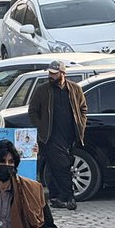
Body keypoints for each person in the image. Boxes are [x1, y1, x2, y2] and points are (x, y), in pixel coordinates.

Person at [27, 61, 88, 211]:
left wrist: (81, 125)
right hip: (51, 136)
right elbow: (32, 111)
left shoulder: (74, 89)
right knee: (62, 166)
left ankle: (55, 197)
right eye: (49, 73)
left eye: (54, 74)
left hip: (70, 136)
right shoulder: (43, 90)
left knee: (56, 167)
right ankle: (69, 197)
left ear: (63, 74)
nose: (51, 76)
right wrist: (41, 127)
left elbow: (83, 109)